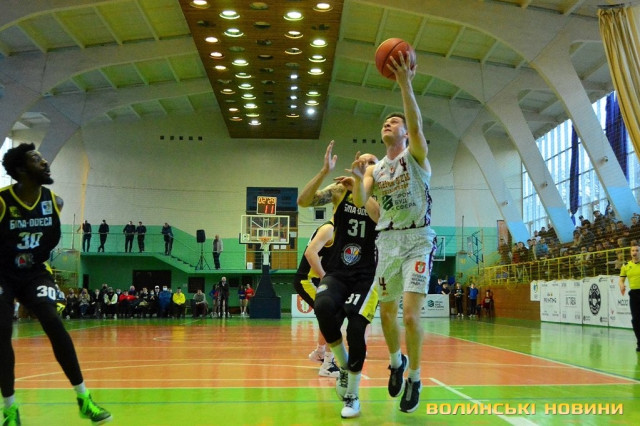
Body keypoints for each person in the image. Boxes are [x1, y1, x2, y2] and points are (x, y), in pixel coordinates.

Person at [350, 50, 437, 414]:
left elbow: (416, 126)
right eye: (385, 122)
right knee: (386, 315)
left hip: (418, 239)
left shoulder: (414, 155)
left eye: (394, 121)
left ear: (404, 132)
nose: (389, 123)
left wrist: (405, 85)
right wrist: (358, 179)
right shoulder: (376, 169)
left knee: (411, 316)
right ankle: (396, 361)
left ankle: (415, 376)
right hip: (387, 241)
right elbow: (362, 201)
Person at [0, 143, 111, 424]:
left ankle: (84, 399)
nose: (45, 162)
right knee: (2, 332)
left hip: (34, 272)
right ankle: (10, 409)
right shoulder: (2, 202)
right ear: (20, 170)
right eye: (36, 159)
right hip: (2, 272)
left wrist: (30, 258)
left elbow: (49, 241)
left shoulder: (54, 202)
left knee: (52, 320)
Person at [312, 169, 380, 418]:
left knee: (355, 330)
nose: (366, 166)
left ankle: (352, 395)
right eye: (362, 163)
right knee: (322, 307)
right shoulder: (341, 192)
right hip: (339, 271)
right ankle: (342, 364)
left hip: (367, 277)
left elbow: (379, 216)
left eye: (371, 163)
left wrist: (360, 186)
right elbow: (306, 201)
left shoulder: (383, 196)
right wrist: (324, 171)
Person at [293, 221, 340, 378]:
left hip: (315, 280)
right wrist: (324, 276)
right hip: (307, 280)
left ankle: (320, 353)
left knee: (328, 316)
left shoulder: (341, 231)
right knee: (333, 315)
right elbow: (310, 253)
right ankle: (328, 364)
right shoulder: (329, 229)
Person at [618, 243, 640, 352]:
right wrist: (621, 285)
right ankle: (639, 342)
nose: (634, 252)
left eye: (637, 250)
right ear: (630, 252)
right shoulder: (626, 265)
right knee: (635, 320)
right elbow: (621, 279)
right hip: (634, 295)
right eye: (633, 250)